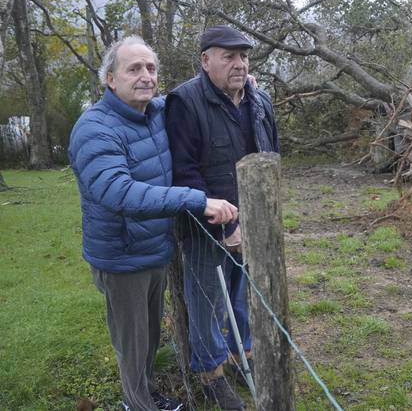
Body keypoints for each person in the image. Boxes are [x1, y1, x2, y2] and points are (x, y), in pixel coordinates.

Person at [69, 35, 238, 411]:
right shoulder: (95, 129)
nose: (145, 76)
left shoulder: (155, 112)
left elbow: (187, 97)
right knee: (133, 344)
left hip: (153, 251)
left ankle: (146, 396)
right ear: (110, 79)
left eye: (150, 68)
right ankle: (137, 404)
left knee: (148, 339)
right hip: (122, 258)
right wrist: (197, 200)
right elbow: (121, 193)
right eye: (133, 68)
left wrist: (237, 80)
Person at [166, 25, 279, 410]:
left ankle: (241, 354)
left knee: (243, 294)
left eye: (243, 56)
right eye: (228, 56)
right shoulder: (184, 101)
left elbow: (271, 156)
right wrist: (226, 223)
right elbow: (183, 170)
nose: (239, 64)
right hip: (205, 224)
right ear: (205, 60)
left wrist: (258, 219)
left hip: (253, 221)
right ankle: (210, 372)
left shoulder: (259, 101)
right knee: (207, 299)